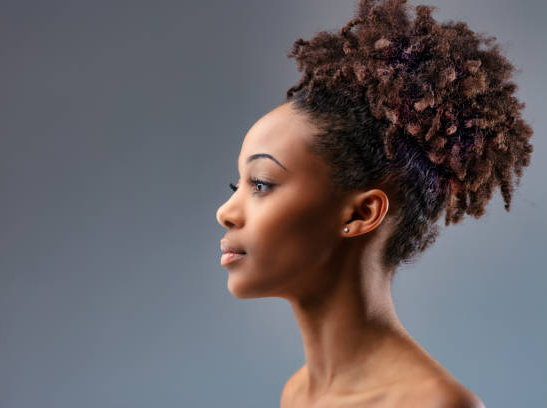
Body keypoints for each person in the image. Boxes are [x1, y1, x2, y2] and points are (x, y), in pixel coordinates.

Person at [215, 0, 534, 406]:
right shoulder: (297, 394)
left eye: (260, 184)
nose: (225, 212)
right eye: (235, 184)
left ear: (362, 213)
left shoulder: (433, 405)